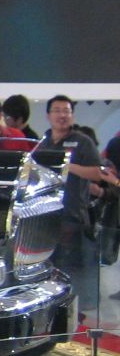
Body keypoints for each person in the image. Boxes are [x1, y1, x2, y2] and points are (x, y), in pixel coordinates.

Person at [40, 95, 120, 326]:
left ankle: (74, 320)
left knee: (72, 272)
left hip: (73, 217)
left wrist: (68, 166)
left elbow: (98, 173)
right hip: (45, 218)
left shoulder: (82, 141)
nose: (62, 115)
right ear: (48, 115)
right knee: (48, 271)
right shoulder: (43, 143)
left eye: (66, 111)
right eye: (57, 110)